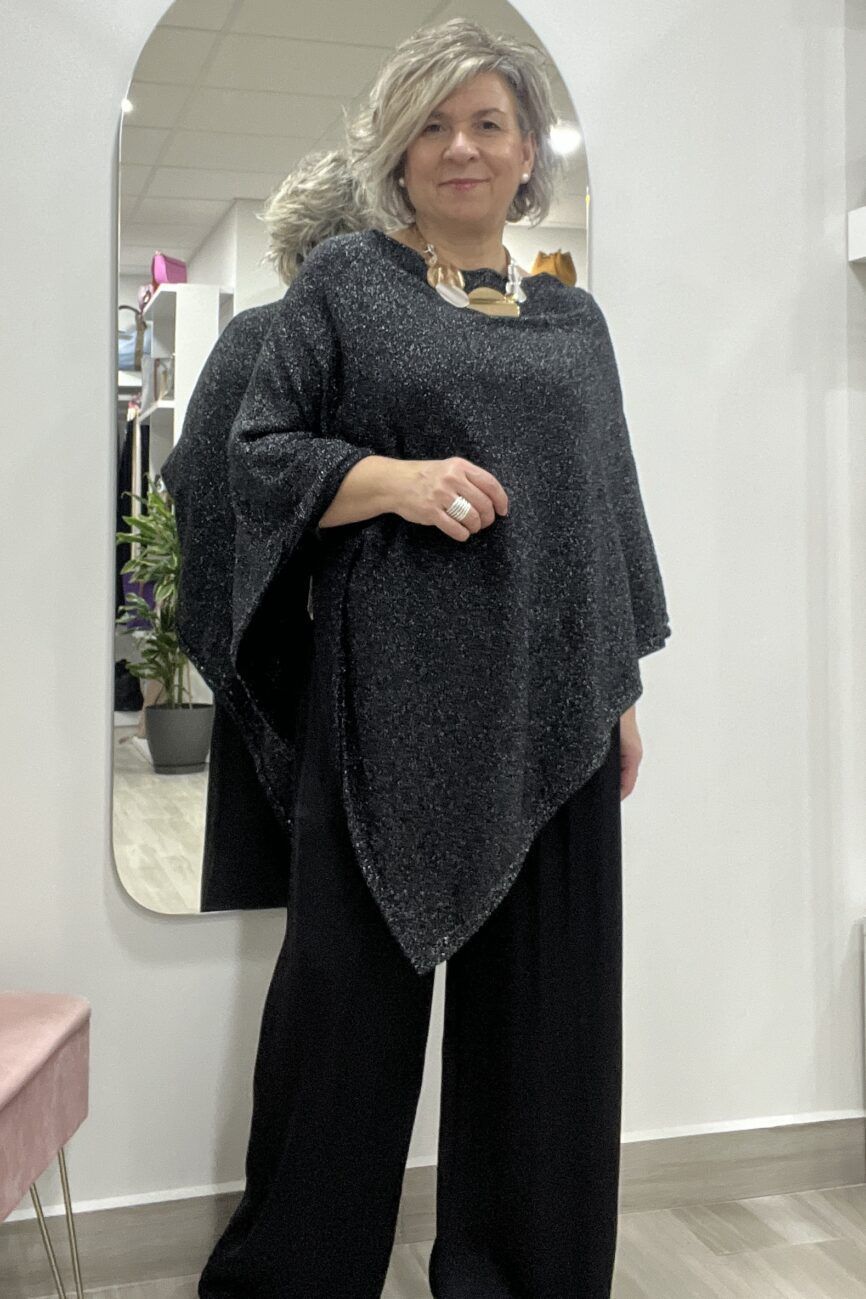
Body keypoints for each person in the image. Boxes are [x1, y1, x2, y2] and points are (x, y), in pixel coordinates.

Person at [196, 15, 672, 1299]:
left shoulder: (575, 320)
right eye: (432, 125)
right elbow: (256, 456)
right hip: (383, 710)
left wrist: (617, 686)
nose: (459, 147)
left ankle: (519, 1278)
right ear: (398, 154)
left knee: (546, 1042)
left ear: (526, 156)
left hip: (551, 707)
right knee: (338, 1032)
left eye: (486, 124)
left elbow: (606, 511)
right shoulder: (346, 285)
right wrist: (390, 479)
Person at [160, 150, 375, 911]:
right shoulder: (368, 355)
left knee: (254, 906)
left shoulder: (249, 339)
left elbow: (191, 486)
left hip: (259, 655)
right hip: (350, 676)